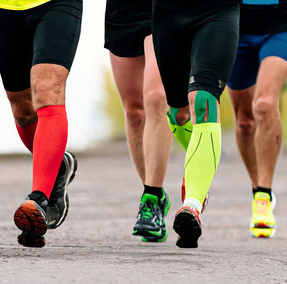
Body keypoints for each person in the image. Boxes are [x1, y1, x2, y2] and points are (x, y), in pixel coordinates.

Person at [227, 0, 287, 238]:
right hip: (233, 21)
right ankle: (258, 190)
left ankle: (263, 194)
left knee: (264, 104)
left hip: (281, 21)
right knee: (244, 121)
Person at [0, 0, 81, 247]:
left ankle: (39, 199)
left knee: (47, 90)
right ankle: (58, 167)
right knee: (22, 110)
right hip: (5, 7)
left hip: (57, 5)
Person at [152, 0, 240, 248]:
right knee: (178, 114)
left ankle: (192, 203)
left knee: (203, 99)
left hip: (217, 11)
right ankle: (197, 176)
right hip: (166, 14)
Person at [104, 0, 173, 243]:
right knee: (134, 113)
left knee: (156, 97)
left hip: (163, 10)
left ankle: (151, 199)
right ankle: (154, 193)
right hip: (122, 11)